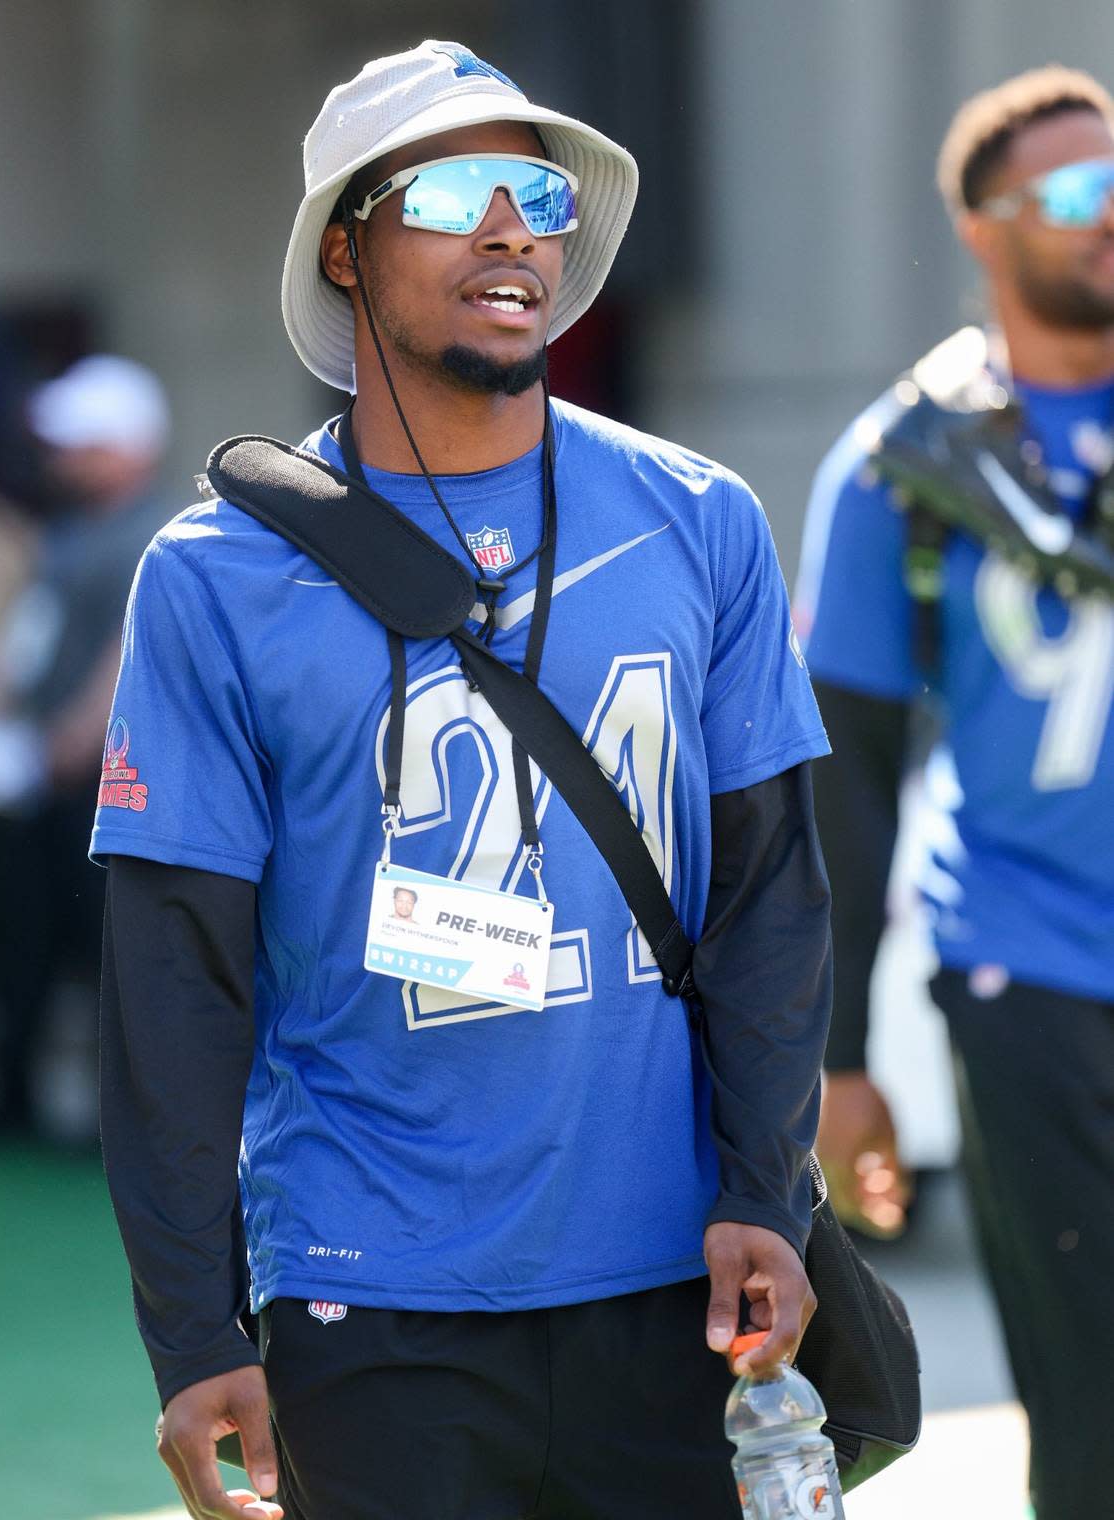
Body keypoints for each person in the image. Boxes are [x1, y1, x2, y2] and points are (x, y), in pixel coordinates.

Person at [95, 40, 832, 1520]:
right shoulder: (214, 579)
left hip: (669, 1285)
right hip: (364, 1297)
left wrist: (767, 1185)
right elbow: (173, 977)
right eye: (457, 188)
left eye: (539, 192)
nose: (514, 228)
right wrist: (190, 1328)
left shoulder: (702, 520)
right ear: (349, 250)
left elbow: (767, 892)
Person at [795, 64, 1114, 1520]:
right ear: (984, 228)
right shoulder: (901, 468)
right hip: (1031, 967)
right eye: (1073, 193)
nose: (1109, 216)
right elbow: (845, 784)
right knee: (1092, 1391)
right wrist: (842, 1058)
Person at [0, 354, 168, 1134]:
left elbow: (130, 650)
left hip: (100, 782)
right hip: (36, 774)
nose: (64, 455)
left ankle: (107, 1120)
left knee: (100, 951)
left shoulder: (153, 535)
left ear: (128, 446)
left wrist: (72, 741)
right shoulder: (68, 531)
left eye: (83, 440)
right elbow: (27, 643)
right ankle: (16, 1100)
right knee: (21, 937)